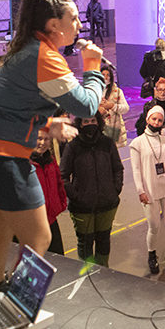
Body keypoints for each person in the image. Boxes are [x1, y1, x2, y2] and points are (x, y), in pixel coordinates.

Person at [0, 0, 105, 289]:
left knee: (2, 227)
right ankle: (20, 306)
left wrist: (46, 123)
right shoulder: (44, 57)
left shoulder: (26, 49)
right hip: (3, 157)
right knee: (41, 237)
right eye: (73, 18)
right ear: (54, 24)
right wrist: (93, 66)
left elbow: (11, 107)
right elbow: (86, 106)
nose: (79, 25)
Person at [61, 113, 124, 267]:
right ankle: (88, 274)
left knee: (104, 240)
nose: (90, 124)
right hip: (82, 208)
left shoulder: (107, 143)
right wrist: (76, 197)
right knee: (85, 242)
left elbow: (117, 168)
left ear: (99, 122)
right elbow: (63, 176)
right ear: (79, 124)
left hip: (107, 204)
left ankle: (103, 272)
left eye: (93, 120)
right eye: (86, 121)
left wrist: (114, 190)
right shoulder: (72, 147)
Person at [130, 105, 165, 274]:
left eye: (159, 120)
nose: (156, 122)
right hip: (149, 189)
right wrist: (140, 190)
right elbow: (136, 170)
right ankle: (152, 255)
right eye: (154, 119)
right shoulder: (137, 143)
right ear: (147, 119)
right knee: (154, 225)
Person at [30, 130, 68, 255]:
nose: (42, 143)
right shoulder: (23, 164)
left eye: (46, 139)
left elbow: (59, 183)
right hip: (32, 226)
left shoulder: (50, 161)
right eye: (39, 139)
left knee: (58, 258)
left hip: (51, 220)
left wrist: (61, 204)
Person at [98, 64, 129, 148]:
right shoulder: (94, 92)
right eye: (103, 75)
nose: (105, 77)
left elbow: (126, 108)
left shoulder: (117, 91)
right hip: (98, 127)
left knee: (112, 150)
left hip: (113, 127)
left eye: (108, 75)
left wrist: (112, 106)